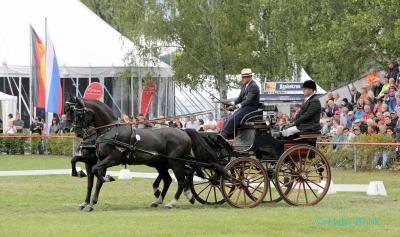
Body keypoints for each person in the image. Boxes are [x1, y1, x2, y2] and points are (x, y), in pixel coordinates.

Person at [221, 68, 260, 138]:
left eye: (243, 77)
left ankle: (224, 134)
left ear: (249, 77)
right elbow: (239, 98)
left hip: (251, 108)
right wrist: (232, 104)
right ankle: (223, 132)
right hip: (245, 107)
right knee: (229, 118)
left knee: (234, 118)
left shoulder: (254, 86)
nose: (242, 79)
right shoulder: (244, 86)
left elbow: (248, 100)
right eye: (242, 77)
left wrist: (237, 106)